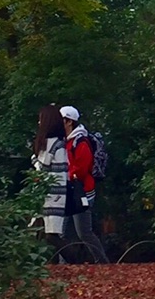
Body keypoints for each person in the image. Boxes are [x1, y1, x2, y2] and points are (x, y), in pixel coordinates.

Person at [59, 104, 108, 264]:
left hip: (82, 192)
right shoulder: (67, 141)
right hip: (70, 191)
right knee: (61, 232)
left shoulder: (80, 142)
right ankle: (64, 264)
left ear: (68, 122)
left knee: (84, 232)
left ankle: (102, 262)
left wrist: (65, 172)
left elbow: (82, 169)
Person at [31, 103, 69, 245]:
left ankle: (76, 260)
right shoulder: (59, 143)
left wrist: (34, 158)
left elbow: (43, 166)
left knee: (51, 235)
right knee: (47, 233)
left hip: (53, 194)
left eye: (41, 119)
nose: (39, 122)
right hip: (52, 193)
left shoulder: (53, 144)